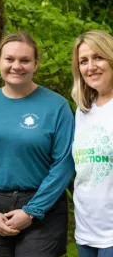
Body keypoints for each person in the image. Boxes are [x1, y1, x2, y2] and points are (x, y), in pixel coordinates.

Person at [0, 31, 75, 257]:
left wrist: (32, 211)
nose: (17, 66)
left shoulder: (57, 106)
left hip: (43, 208)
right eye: (9, 59)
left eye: (25, 60)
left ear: (36, 63)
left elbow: (63, 164)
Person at [71, 30, 113, 257]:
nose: (91, 67)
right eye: (83, 61)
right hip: (85, 229)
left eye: (98, 57)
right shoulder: (83, 110)